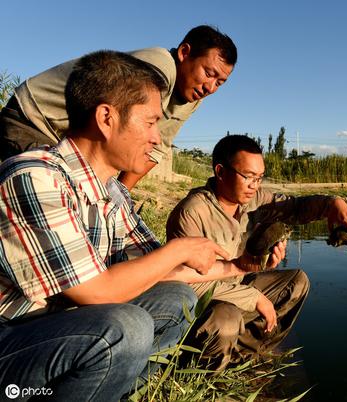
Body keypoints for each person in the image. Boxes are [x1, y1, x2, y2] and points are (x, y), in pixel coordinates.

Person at [0, 50, 246, 401]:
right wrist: (180, 248)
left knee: (178, 299)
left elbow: (158, 271)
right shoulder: (35, 176)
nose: (157, 138)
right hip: (13, 334)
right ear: (106, 118)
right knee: (125, 328)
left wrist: (236, 266)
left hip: (62, 326)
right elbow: (98, 292)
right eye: (149, 123)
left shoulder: (111, 191)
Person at [165, 134, 347, 370]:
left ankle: (242, 356)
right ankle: (203, 371)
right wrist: (255, 297)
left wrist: (332, 204)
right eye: (248, 177)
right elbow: (188, 285)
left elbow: (295, 208)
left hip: (239, 283)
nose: (254, 186)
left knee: (297, 282)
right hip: (205, 302)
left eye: (259, 178)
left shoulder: (255, 200)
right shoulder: (193, 212)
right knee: (227, 318)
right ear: (220, 171)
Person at [0, 25, 236, 190]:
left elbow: (154, 149)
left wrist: (120, 196)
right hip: (34, 119)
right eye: (209, 73)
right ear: (185, 53)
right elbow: (111, 130)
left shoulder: (192, 98)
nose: (211, 88)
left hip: (67, 142)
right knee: (47, 198)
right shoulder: (158, 66)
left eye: (220, 82)